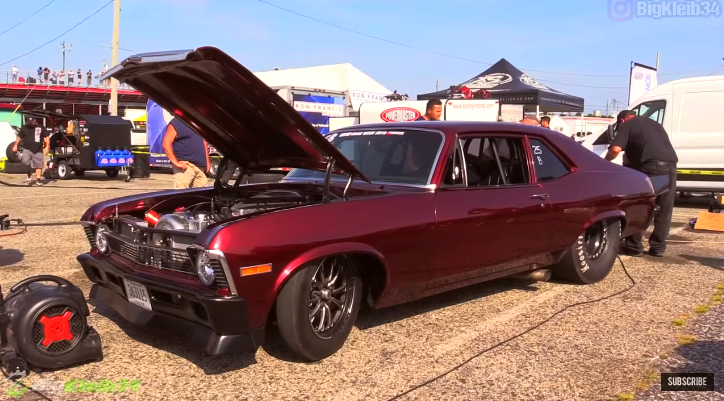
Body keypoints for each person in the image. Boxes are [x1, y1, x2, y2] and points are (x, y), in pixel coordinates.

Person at [605, 110, 678, 257]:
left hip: (650, 168)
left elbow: (616, 149)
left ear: (622, 121)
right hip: (670, 166)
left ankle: (633, 246)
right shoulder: (655, 124)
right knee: (664, 209)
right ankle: (658, 247)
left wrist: (605, 162)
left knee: (643, 206)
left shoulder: (627, 124)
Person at [162, 118, 210, 189]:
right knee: (182, 195)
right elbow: (166, 143)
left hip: (200, 167)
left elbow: (204, 142)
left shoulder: (198, 123)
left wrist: (207, 162)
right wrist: (176, 162)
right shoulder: (176, 122)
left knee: (201, 196)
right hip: (186, 166)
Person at [13, 118, 49, 185]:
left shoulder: (41, 127)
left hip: (38, 149)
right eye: (29, 121)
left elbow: (47, 136)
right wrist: (15, 145)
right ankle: (29, 172)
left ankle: (38, 180)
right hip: (27, 149)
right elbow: (19, 137)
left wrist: (46, 147)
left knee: (38, 165)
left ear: (35, 121)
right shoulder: (24, 128)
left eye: (31, 121)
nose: (30, 122)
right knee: (26, 162)